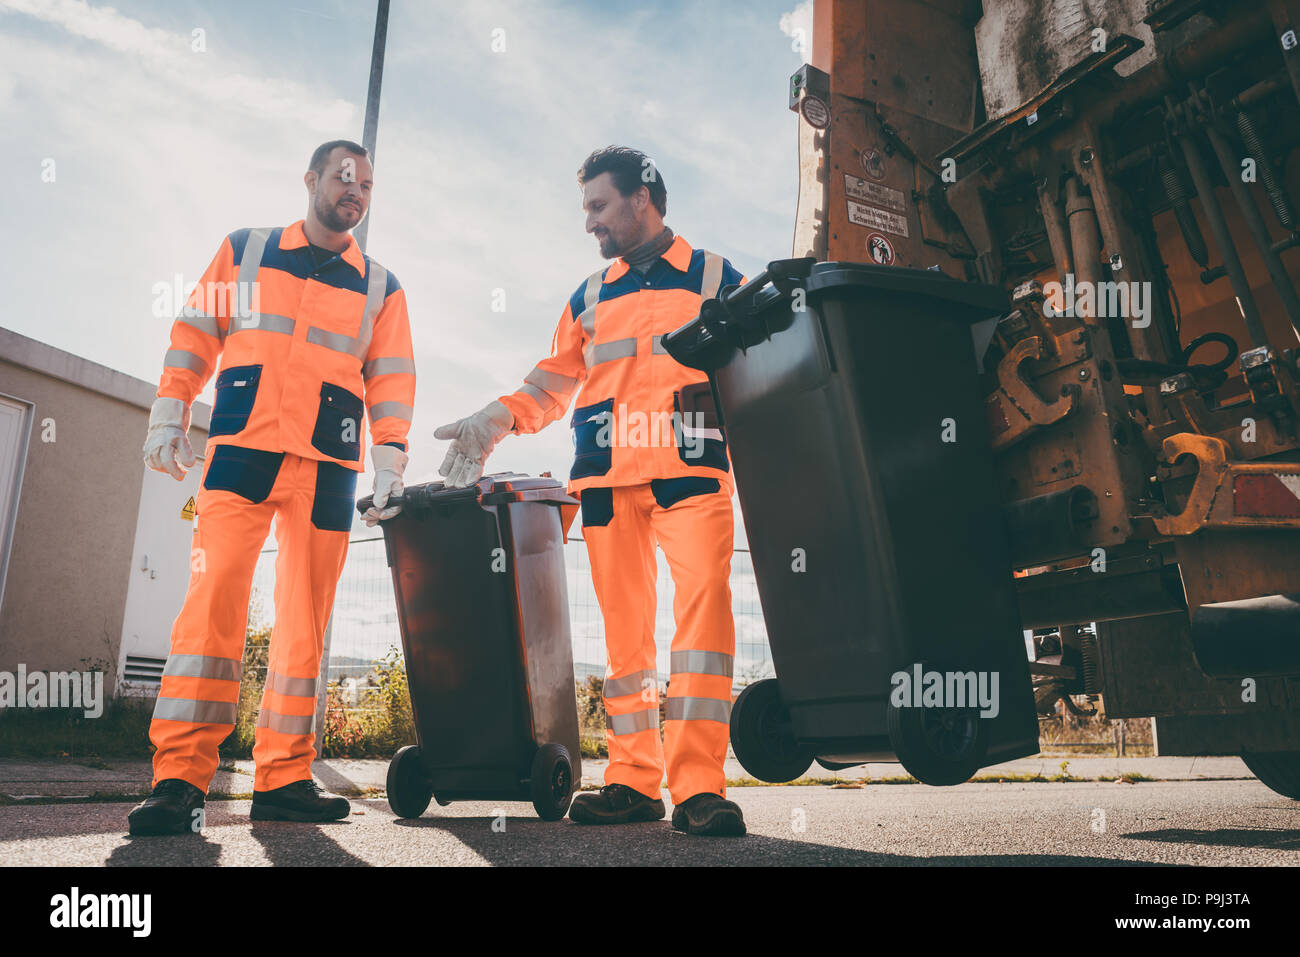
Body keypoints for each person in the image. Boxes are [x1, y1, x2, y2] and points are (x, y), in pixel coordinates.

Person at [436, 146, 747, 836]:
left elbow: (759, 371)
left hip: (689, 471)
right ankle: (634, 781)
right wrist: (496, 419)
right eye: (586, 209)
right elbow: (550, 383)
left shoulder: (718, 277)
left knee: (703, 630)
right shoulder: (588, 295)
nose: (589, 224)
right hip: (606, 482)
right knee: (625, 640)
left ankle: (699, 786)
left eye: (598, 206)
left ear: (642, 199)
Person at [128, 140, 415, 836]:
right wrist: (171, 407)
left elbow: (392, 377)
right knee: (211, 605)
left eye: (369, 185)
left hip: (329, 461)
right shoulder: (246, 251)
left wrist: (392, 461)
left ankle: (284, 776)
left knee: (305, 620)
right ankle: (180, 780)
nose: (358, 191)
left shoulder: (381, 286)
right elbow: (195, 331)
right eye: (347, 177)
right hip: (243, 448)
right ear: (312, 178)